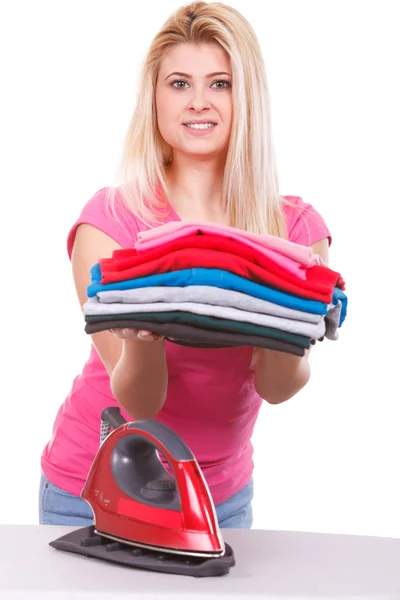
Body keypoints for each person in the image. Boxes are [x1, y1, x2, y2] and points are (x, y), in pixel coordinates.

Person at [39, 0, 332, 529]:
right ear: (154, 97)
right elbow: (141, 401)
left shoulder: (295, 231)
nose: (199, 102)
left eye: (220, 83)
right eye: (179, 84)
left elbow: (277, 387)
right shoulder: (109, 223)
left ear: (248, 96)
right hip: (95, 486)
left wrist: (290, 316)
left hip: (219, 496)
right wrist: (142, 335)